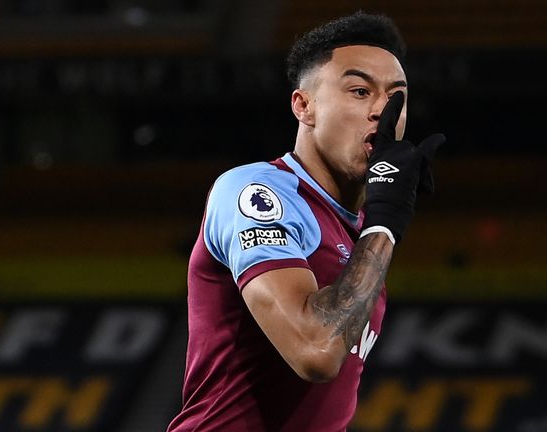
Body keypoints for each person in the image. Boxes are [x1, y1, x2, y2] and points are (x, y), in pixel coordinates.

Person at [167, 11, 444, 432]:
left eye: (396, 97)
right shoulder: (256, 191)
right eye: (358, 91)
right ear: (304, 106)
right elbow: (315, 350)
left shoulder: (362, 229)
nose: (381, 112)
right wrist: (386, 223)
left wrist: (380, 224)